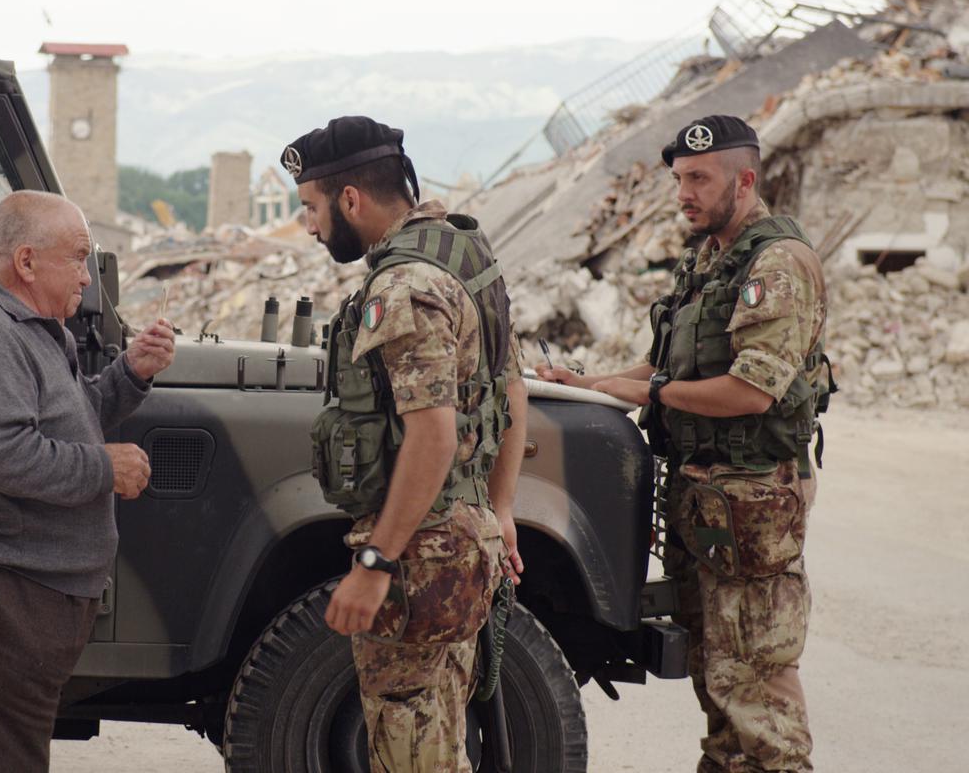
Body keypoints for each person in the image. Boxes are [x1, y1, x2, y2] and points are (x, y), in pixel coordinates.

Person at [537, 114, 830, 773]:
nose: (684, 193)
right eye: (679, 179)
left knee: (756, 694)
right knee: (717, 683)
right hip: (707, 503)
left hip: (753, 501)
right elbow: (666, 368)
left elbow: (750, 391)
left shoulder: (776, 263)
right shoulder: (708, 260)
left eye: (699, 178)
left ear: (744, 180)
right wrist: (590, 383)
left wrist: (654, 395)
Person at [0, 190, 175, 773]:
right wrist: (104, 467)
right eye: (76, 257)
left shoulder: (26, 327)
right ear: (25, 262)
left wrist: (130, 373)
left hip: (8, 583)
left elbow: (63, 419)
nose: (86, 278)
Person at [282, 116, 528, 772]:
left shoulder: (403, 288)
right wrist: (497, 509)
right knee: (437, 740)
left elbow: (432, 434)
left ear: (351, 200)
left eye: (311, 206)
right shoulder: (467, 259)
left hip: (424, 552)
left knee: (409, 744)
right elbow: (512, 390)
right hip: (462, 535)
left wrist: (375, 564)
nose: (308, 224)